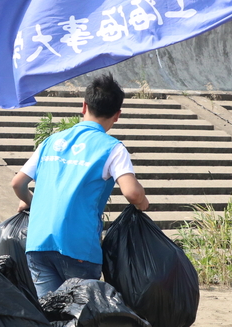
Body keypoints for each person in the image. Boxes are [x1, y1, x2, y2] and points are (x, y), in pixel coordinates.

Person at [10, 73, 149, 297]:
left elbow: (18, 183)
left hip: (38, 243)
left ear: (83, 106)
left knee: (51, 315)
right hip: (79, 248)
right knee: (79, 319)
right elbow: (132, 193)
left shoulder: (52, 141)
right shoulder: (112, 148)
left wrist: (32, 203)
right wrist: (143, 203)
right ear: (117, 116)